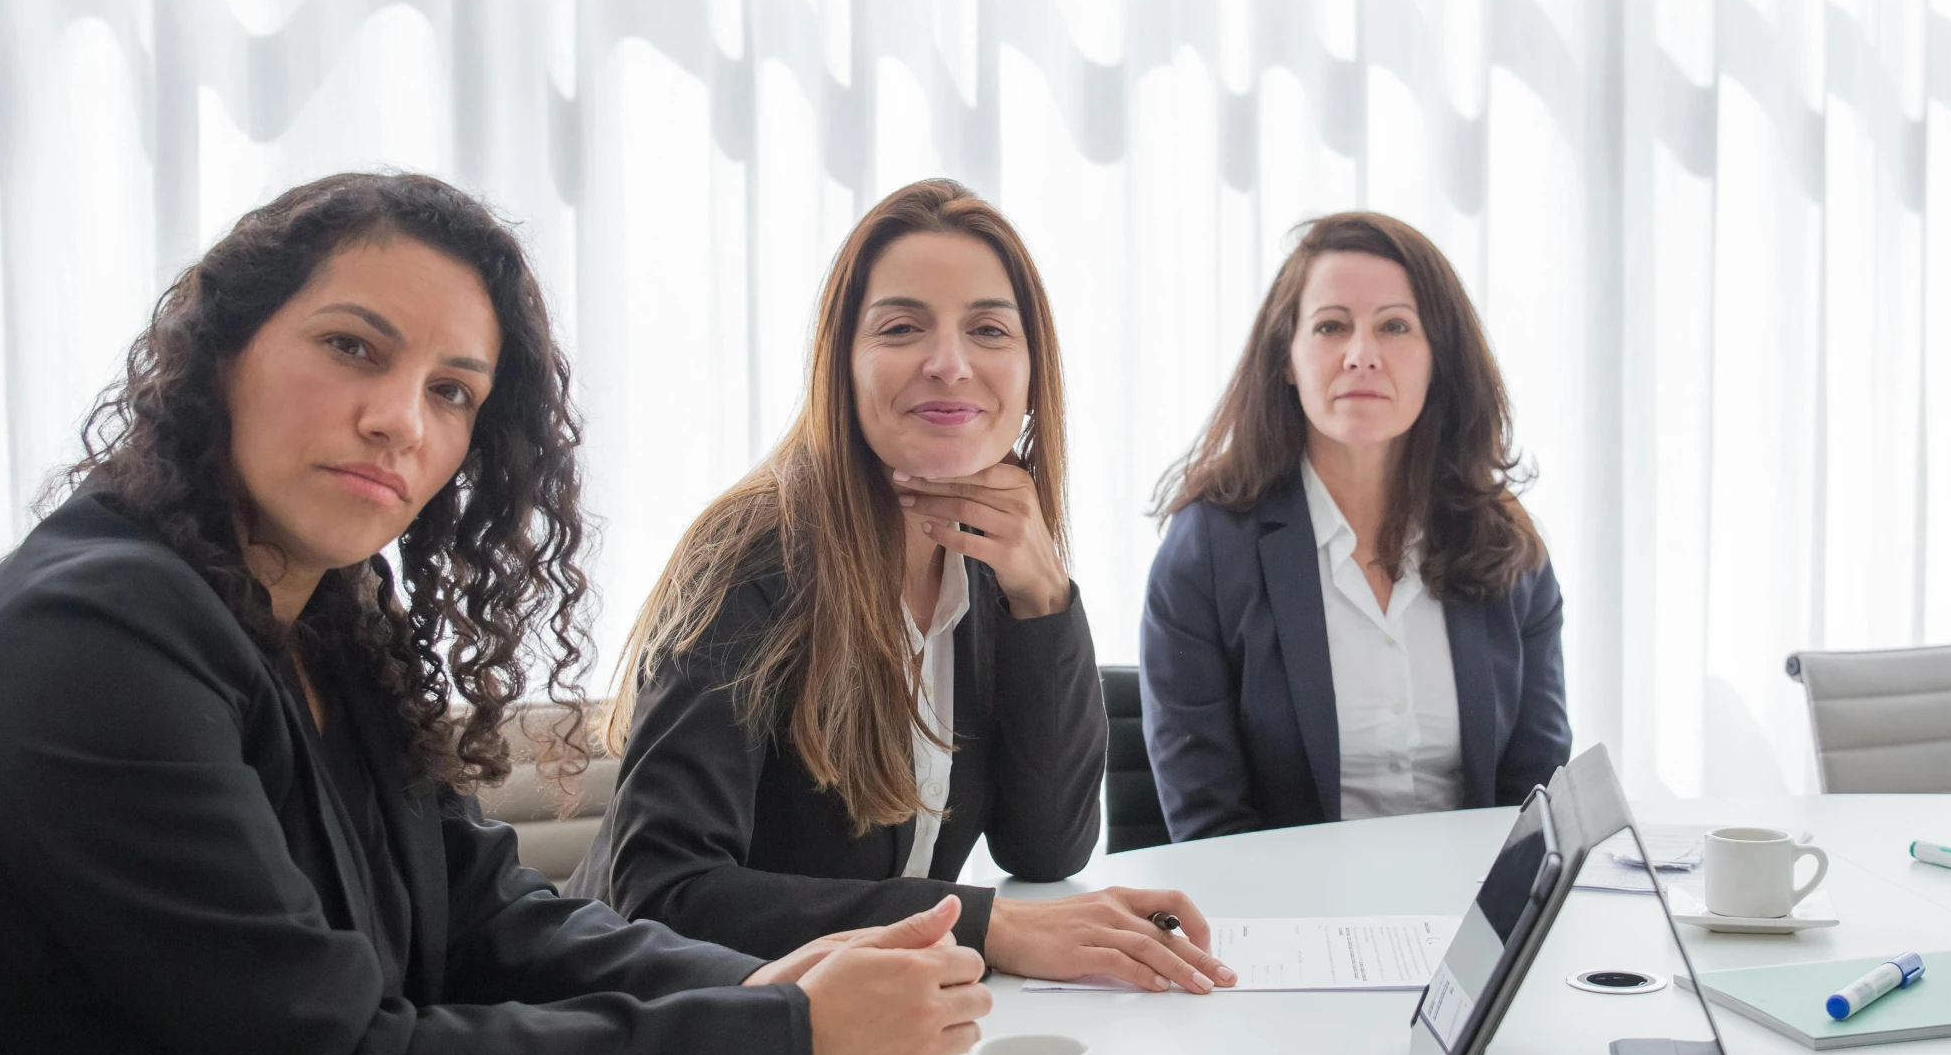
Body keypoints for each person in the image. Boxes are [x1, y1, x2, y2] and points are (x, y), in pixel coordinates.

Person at [0, 173, 988, 1055]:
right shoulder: (87, 638)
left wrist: (757, 991)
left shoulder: (324, 616)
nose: (402, 419)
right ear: (218, 350)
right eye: (352, 348)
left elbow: (487, 916)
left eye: (453, 393)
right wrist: (787, 1045)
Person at [569, 179, 1232, 995]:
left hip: (863, 1027)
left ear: (1029, 376)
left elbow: (1047, 846)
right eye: (901, 327)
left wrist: (1040, 596)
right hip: (663, 1031)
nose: (949, 362)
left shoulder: (990, 564)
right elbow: (661, 894)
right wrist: (989, 925)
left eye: (988, 328)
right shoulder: (748, 558)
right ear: (841, 367)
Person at [1141, 211, 1571, 841]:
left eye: (1395, 326)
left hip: (1472, 917)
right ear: (1286, 359)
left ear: (1439, 360)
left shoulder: (1504, 542)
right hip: (1279, 920)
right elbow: (1210, 826)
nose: (1362, 355)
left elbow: (1537, 805)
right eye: (1331, 326)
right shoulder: (1207, 550)